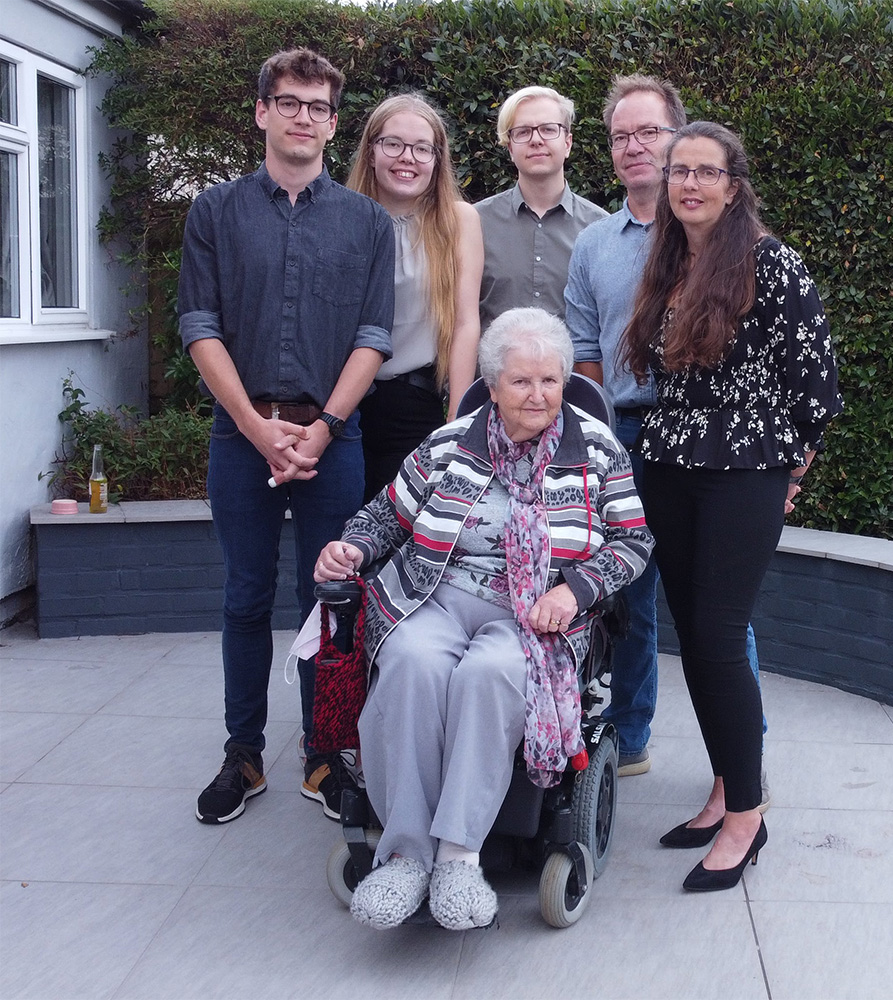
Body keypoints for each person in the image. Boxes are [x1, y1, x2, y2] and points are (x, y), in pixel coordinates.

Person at [313, 307, 653, 930]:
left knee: (489, 673)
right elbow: (385, 516)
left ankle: (458, 857)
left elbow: (633, 541)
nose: (538, 395)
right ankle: (406, 856)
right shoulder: (449, 444)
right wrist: (351, 549)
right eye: (521, 381)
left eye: (550, 380)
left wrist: (575, 591)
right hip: (435, 595)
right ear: (492, 386)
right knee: (411, 661)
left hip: (536, 614)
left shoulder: (598, 450)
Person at [620, 122, 842, 891]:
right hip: (669, 464)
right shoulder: (670, 260)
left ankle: (747, 816)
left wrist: (791, 469)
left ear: (734, 185)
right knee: (695, 637)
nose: (689, 184)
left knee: (718, 637)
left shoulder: (772, 263)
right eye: (679, 171)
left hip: (744, 471)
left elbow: (816, 383)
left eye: (705, 172)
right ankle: (723, 790)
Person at [179, 47, 395, 826]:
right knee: (245, 596)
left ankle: (325, 754)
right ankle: (243, 753)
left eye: (318, 107)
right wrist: (254, 426)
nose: (304, 117)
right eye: (290, 102)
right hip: (241, 437)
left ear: (334, 124)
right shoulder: (214, 212)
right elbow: (199, 324)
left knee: (330, 598)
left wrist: (323, 428)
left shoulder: (368, 222)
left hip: (334, 439)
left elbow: (373, 335)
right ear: (262, 112)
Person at [565, 75, 766, 780]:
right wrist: (597, 434)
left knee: (717, 608)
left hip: (708, 442)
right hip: (623, 434)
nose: (634, 146)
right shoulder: (594, 244)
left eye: (649, 132)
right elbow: (584, 346)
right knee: (628, 590)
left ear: (680, 138)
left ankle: (744, 761)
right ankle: (630, 735)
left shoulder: (724, 242)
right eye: (621, 136)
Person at [346, 94, 484, 501]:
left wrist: (457, 422)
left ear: (437, 160)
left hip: (414, 406)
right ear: (371, 151)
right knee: (342, 532)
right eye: (393, 144)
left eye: (422, 148)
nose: (407, 157)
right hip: (343, 408)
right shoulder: (341, 217)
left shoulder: (458, 221)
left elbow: (466, 322)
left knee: (406, 531)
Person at [475, 85, 607, 331]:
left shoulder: (601, 229)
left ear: (567, 143)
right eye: (523, 131)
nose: (536, 140)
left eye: (548, 129)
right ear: (510, 148)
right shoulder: (475, 223)